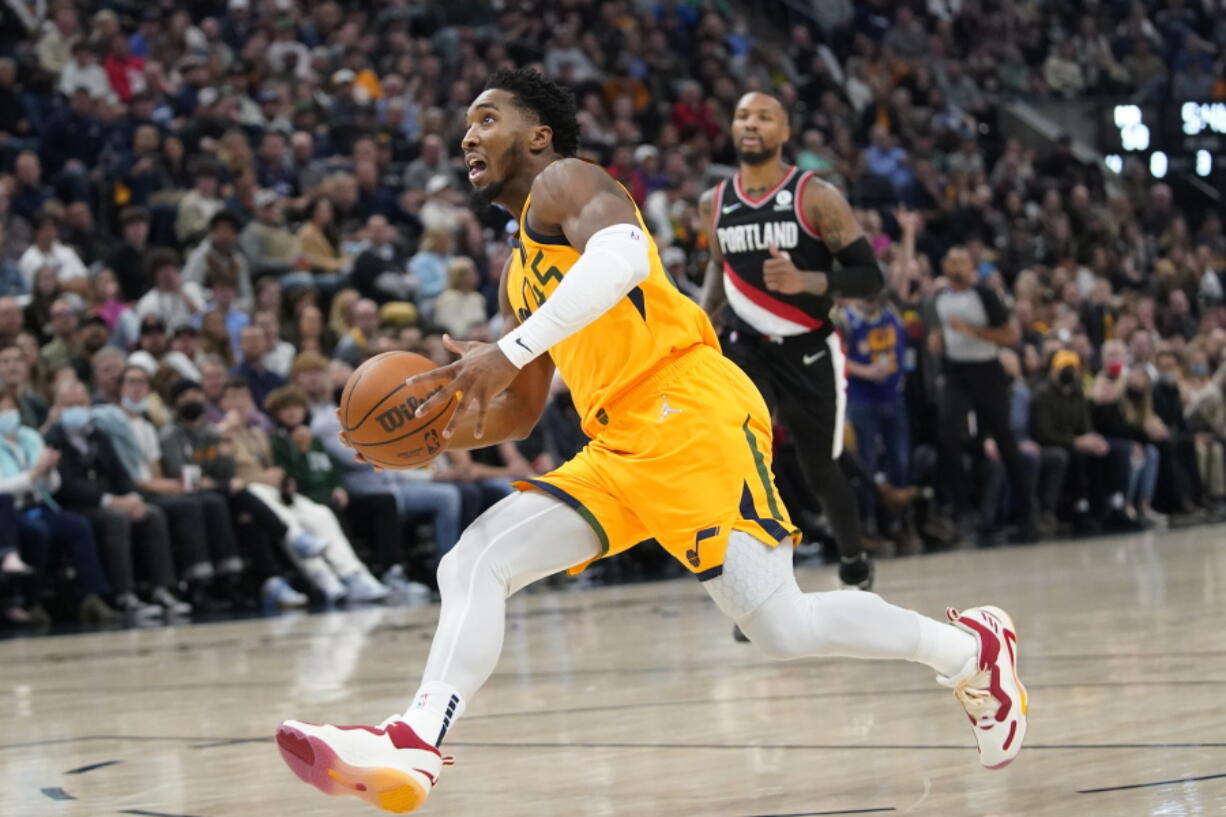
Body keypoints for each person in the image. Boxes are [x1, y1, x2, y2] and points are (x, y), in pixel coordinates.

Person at [277, 69, 1027, 813]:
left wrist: (501, 353)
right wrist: (443, 426)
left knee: (783, 626)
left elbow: (624, 258)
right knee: (476, 558)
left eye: (487, 117)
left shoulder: (567, 181)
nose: (468, 135)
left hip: (690, 410)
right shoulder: (518, 274)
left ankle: (971, 652)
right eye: (466, 123)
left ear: (537, 135)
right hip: (618, 444)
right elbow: (524, 411)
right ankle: (415, 738)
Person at [698, 92, 878, 591]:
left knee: (820, 468)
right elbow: (719, 266)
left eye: (763, 116)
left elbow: (869, 276)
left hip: (809, 348)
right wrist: (700, 321)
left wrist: (809, 282)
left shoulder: (816, 196)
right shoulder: (713, 202)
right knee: (744, 462)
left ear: (784, 131)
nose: (750, 123)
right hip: (744, 346)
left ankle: (854, 561)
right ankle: (758, 586)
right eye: (741, 115)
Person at [46, 379, 189, 619]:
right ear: (57, 408)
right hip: (76, 506)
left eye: (80, 404)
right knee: (116, 519)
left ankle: (162, 588)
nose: (76, 410)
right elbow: (66, 487)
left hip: (111, 499)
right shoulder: (52, 439)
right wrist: (111, 501)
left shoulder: (99, 434)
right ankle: (124, 594)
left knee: (152, 514)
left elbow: (120, 474)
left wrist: (132, 497)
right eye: (69, 405)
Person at [930, 248, 1038, 542]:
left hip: (987, 371)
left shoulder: (985, 296)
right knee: (948, 433)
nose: (957, 266)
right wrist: (938, 340)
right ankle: (963, 511)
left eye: (962, 261)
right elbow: (942, 333)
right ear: (943, 266)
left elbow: (1011, 336)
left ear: (971, 266)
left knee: (1003, 438)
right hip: (956, 373)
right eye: (951, 261)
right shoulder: (939, 298)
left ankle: (1028, 513)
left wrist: (972, 331)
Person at [0, 386, 119, 624]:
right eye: (1, 409)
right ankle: (32, 601)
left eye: (10, 407)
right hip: (9, 514)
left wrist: (49, 472)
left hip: (40, 505)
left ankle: (91, 595)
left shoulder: (30, 437)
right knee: (38, 533)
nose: (7, 413)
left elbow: (52, 486)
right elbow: (3, 489)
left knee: (78, 526)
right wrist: (33, 475)